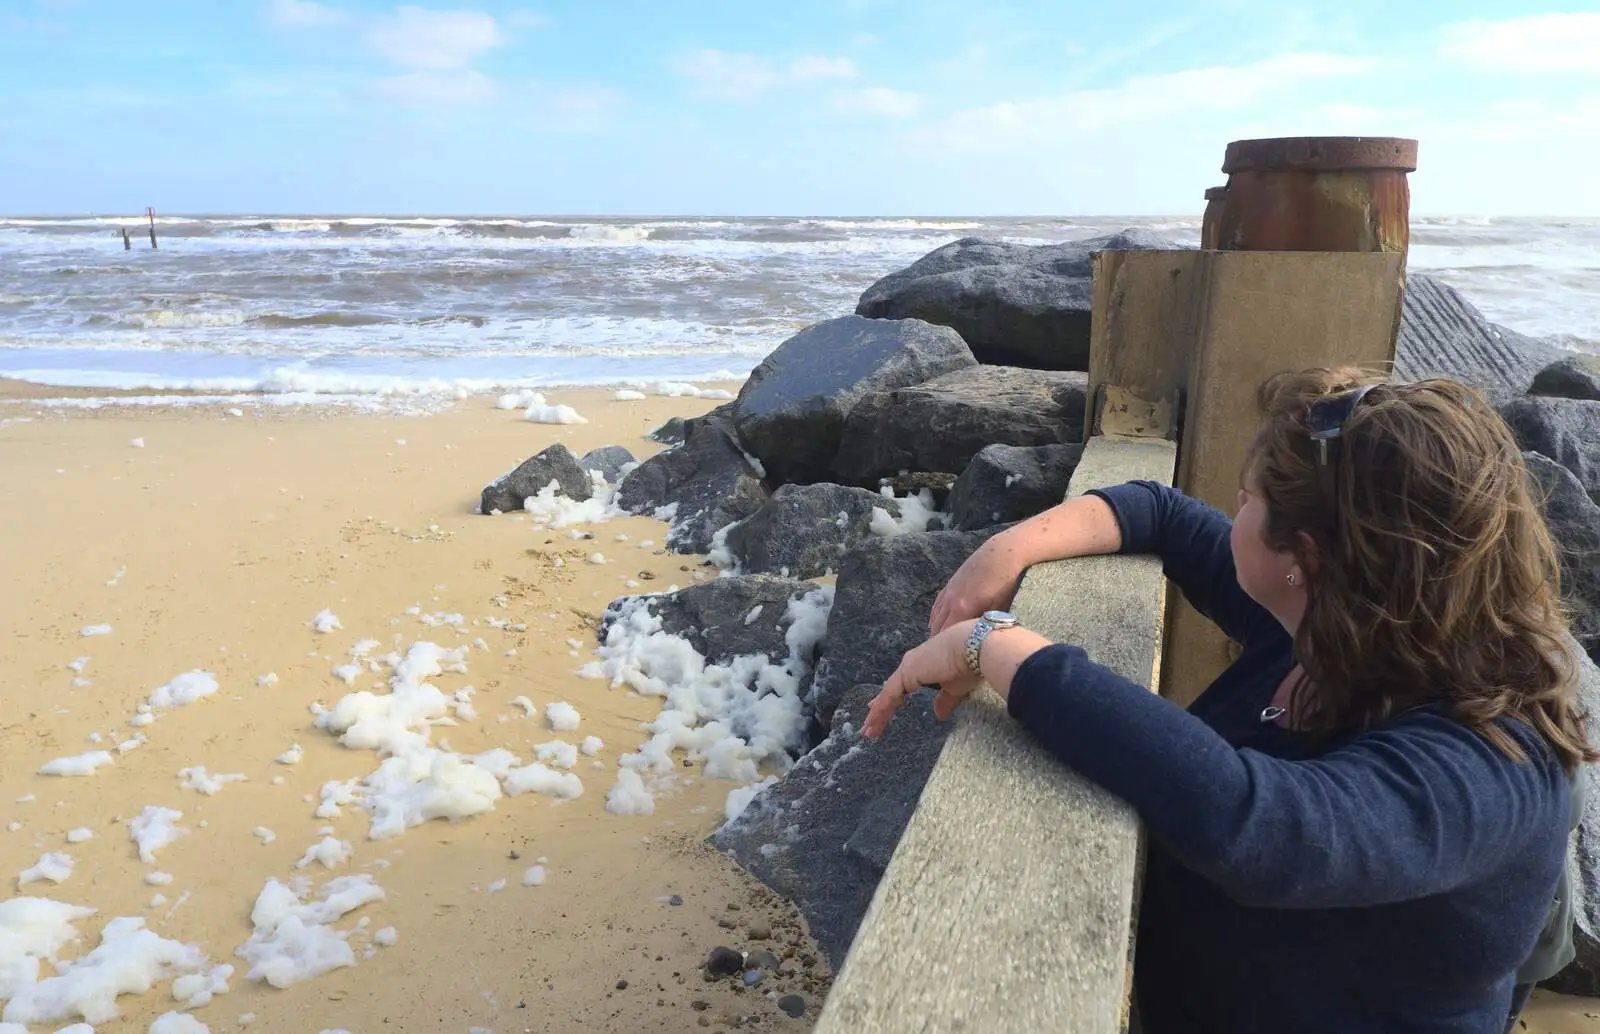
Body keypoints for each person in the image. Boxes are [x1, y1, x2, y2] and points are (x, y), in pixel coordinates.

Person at [861, 368, 1595, 1034]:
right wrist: (1006, 552)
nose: (1230, 510)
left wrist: (997, 644)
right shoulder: (1360, 622)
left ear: (1303, 557)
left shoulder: (1495, 761)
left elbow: (1268, 831)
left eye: (1246, 500)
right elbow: (1160, 513)